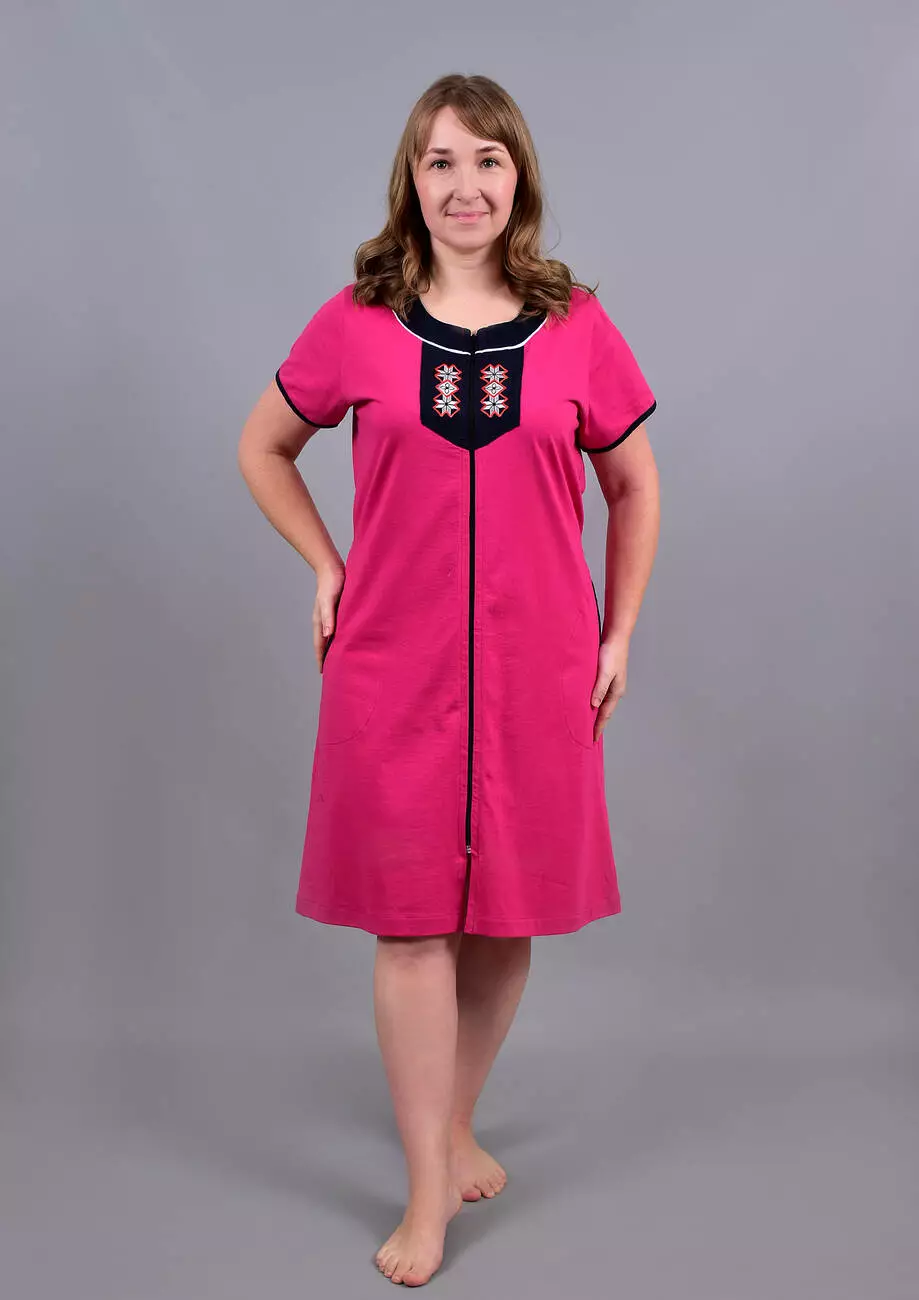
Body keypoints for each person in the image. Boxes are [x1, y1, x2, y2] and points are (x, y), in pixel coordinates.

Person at [238, 72, 660, 1288]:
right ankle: (428, 1187)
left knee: (506, 917)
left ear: (516, 176)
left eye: (487, 159)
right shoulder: (356, 322)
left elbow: (635, 484)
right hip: (392, 666)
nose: (464, 184)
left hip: (539, 669)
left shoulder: (576, 323)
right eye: (440, 161)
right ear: (410, 181)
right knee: (413, 921)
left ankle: (454, 1119)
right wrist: (328, 564)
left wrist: (618, 633)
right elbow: (263, 445)